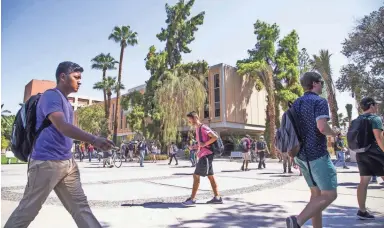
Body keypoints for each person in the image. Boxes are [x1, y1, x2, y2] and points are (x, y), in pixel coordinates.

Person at [4, 61, 114, 228]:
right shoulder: (51, 97)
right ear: (63, 77)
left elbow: (66, 130)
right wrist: (94, 139)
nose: (80, 81)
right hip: (46, 162)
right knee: (27, 211)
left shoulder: (66, 103)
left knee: (81, 208)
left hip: (67, 163)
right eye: (76, 77)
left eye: (80, 78)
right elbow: (62, 126)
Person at [286, 72, 338, 228]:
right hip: (316, 154)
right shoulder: (319, 101)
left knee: (316, 195)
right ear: (315, 84)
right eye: (321, 82)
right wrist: (334, 132)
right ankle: (297, 221)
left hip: (300, 155)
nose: (322, 85)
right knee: (329, 194)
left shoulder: (296, 103)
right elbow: (322, 127)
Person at [183, 111, 223, 206]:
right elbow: (202, 143)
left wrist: (204, 144)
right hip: (205, 155)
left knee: (196, 175)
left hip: (206, 156)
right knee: (210, 177)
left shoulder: (203, 127)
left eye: (190, 120)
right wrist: (195, 147)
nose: (190, 122)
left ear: (195, 118)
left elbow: (215, 137)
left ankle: (192, 199)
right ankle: (217, 197)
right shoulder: (197, 129)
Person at [355, 97, 384, 220]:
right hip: (375, 153)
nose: (377, 107)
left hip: (361, 153)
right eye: (375, 105)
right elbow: (379, 138)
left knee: (363, 182)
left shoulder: (357, 119)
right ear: (371, 106)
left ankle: (362, 210)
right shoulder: (375, 119)